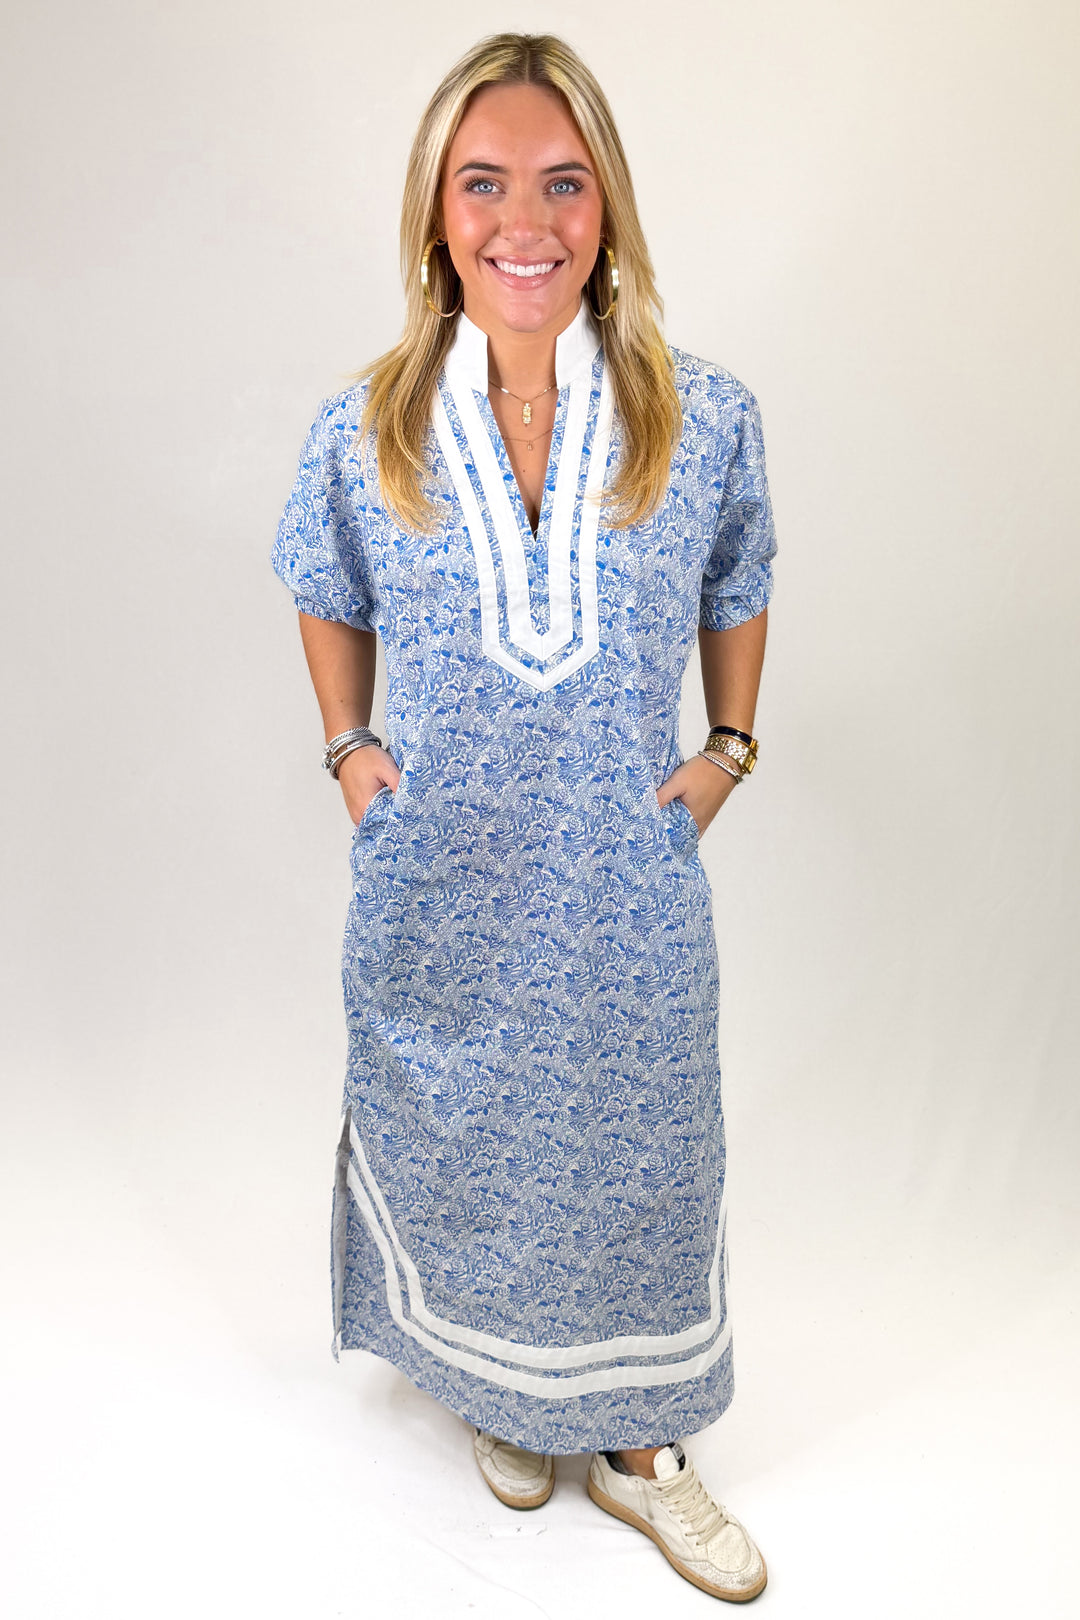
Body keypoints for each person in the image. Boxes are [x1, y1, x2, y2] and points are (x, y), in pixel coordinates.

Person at [271, 31, 777, 1604]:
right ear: (437, 213)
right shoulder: (370, 427)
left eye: (564, 184)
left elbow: (741, 578)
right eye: (483, 184)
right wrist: (354, 754)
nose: (525, 222)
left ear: (608, 211)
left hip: (624, 879)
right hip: (445, 882)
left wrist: (727, 750)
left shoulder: (703, 416)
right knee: (473, 1139)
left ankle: (641, 1453)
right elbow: (323, 588)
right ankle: (508, 1393)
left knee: (641, 1144)